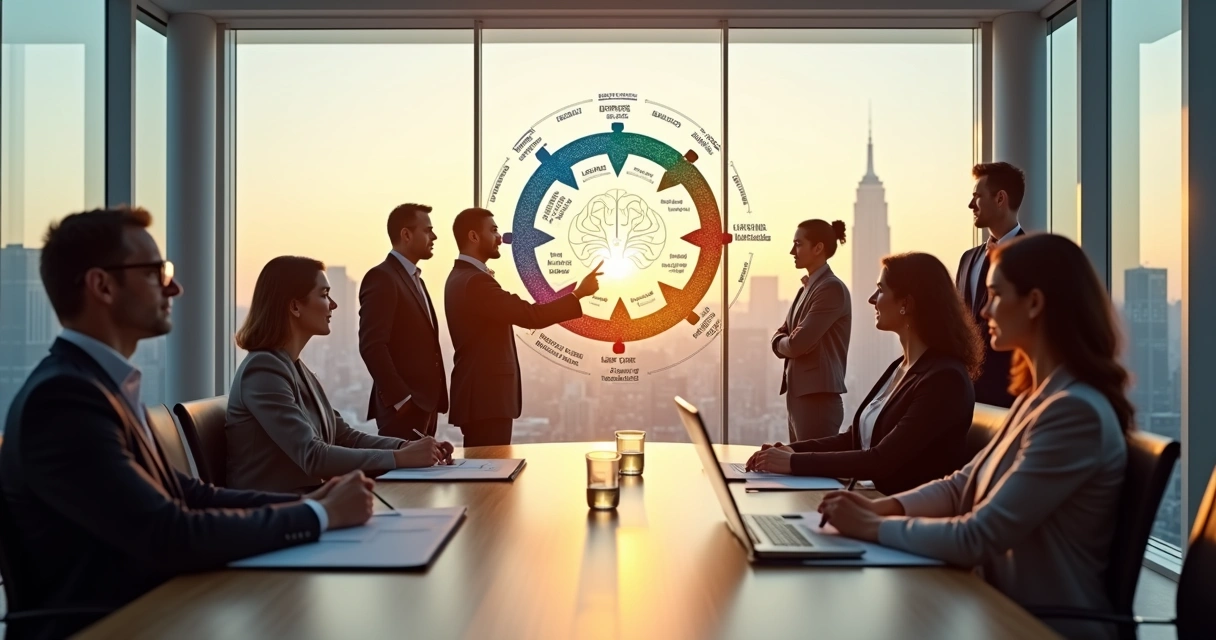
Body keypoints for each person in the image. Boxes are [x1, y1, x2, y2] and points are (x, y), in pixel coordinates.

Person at [0, 207, 375, 640]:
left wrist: (308, 504)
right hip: (118, 624)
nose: (174, 287)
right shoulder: (63, 400)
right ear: (102, 286)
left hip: (159, 608)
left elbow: (190, 495)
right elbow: (168, 533)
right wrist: (318, 514)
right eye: (155, 272)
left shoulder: (100, 385)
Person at [820, 233, 1130, 640]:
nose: (983, 310)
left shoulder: (1075, 413)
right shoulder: (1037, 399)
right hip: (993, 605)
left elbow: (977, 536)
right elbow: (959, 487)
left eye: (995, 295)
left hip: (1036, 625)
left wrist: (871, 527)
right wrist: (880, 508)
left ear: (1034, 303)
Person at [748, 252, 981, 495]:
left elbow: (881, 460)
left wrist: (793, 463)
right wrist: (791, 451)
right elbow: (853, 440)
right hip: (870, 499)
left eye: (880, 290)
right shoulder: (901, 367)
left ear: (906, 304)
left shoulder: (944, 379)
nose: (872, 299)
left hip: (901, 509)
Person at [226, 256, 453, 493]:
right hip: (279, 507)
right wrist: (399, 458)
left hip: (309, 497)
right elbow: (313, 456)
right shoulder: (264, 370)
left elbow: (345, 437)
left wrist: (406, 447)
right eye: (324, 294)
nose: (333, 304)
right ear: (295, 307)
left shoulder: (296, 368)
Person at [444, 207, 601, 447]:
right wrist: (578, 294)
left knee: (484, 465)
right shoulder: (475, 282)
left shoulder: (460, 277)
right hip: (487, 399)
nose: (500, 237)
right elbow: (531, 316)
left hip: (480, 398)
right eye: (493, 230)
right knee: (489, 466)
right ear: (473, 236)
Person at [358, 203, 448, 439]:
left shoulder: (416, 279)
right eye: (427, 230)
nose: (434, 237)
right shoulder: (382, 277)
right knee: (405, 465)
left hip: (425, 407)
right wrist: (402, 400)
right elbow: (372, 345)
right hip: (404, 410)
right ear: (406, 234)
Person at [772, 219, 851, 441]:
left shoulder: (831, 288)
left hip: (817, 401)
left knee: (810, 462)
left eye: (798, 244)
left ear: (818, 248)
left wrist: (780, 342)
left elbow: (796, 344)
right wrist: (784, 340)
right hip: (800, 398)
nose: (792, 251)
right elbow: (786, 333)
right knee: (798, 461)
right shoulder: (806, 289)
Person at [957, 161, 1026, 408]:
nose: (970, 204)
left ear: (1000, 199)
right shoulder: (967, 259)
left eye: (977, 196)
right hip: (965, 398)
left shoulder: (1032, 259)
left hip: (1011, 398)